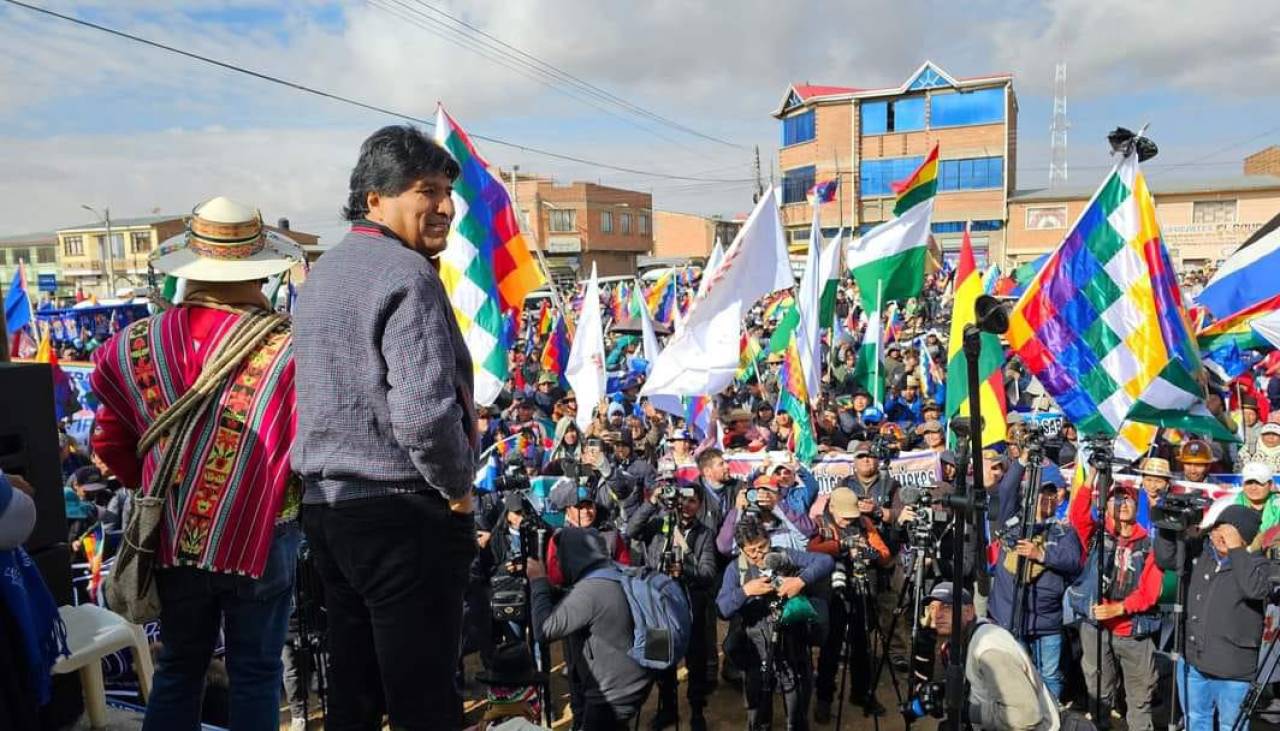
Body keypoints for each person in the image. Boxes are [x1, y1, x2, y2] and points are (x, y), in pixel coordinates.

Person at [91, 196, 305, 731]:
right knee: (256, 673)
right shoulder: (289, 345)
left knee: (179, 668)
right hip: (262, 534)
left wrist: (165, 487)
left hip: (172, 534)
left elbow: (111, 444)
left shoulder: (133, 345)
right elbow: (308, 448)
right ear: (262, 270)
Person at [292, 126, 477, 730]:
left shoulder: (321, 275)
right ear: (375, 198)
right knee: (424, 701)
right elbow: (424, 416)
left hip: (330, 511)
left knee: (355, 693)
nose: (445, 207)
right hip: (401, 515)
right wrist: (456, 489)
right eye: (427, 191)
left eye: (448, 191)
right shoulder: (407, 273)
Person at [1155, 504, 1270, 731]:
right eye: (1219, 528)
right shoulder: (1200, 551)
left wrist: (1236, 551)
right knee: (1196, 719)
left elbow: (1254, 589)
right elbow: (1165, 560)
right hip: (1194, 661)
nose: (1221, 535)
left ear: (1244, 538)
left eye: (1229, 531)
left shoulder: (1259, 564)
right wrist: (1168, 530)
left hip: (1233, 670)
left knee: (1232, 725)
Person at [528, 528, 653, 730]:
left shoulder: (590, 591)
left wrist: (538, 582)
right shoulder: (612, 572)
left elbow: (543, 631)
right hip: (633, 681)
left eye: (560, 558)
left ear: (573, 556)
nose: (558, 563)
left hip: (611, 695)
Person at [717, 519, 834, 731]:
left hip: (792, 647)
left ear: (769, 540)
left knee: (797, 716)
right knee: (758, 716)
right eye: (752, 551)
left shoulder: (784, 555)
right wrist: (746, 591)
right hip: (755, 650)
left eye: (762, 546)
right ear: (742, 550)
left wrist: (799, 581)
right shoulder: (736, 569)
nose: (759, 555)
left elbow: (825, 561)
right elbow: (722, 609)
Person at [1067, 479, 1163, 731]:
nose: (1120, 503)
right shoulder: (1097, 534)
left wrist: (1118, 609)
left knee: (1139, 700)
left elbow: (1150, 593)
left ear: (1137, 504)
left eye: (1127, 498)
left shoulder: (1149, 543)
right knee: (1097, 694)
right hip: (1095, 630)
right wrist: (1090, 480)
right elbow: (1078, 514)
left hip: (1133, 633)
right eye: (1114, 498)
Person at [986, 455, 1082, 701]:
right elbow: (1005, 488)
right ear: (1029, 496)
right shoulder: (1012, 523)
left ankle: (1050, 721)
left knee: (1050, 675)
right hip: (1012, 616)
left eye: (1052, 494)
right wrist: (1021, 461)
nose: (1047, 499)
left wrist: (1041, 554)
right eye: (1041, 493)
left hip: (1047, 621)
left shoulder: (1064, 530)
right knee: (1019, 674)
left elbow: (1073, 561)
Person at [626, 481, 717, 730]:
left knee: (695, 661)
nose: (686, 505)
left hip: (689, 605)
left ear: (699, 505)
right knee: (660, 657)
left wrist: (684, 569)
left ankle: (697, 710)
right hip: (657, 604)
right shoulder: (659, 524)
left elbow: (708, 572)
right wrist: (652, 501)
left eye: (692, 500)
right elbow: (631, 530)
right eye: (682, 499)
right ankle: (668, 709)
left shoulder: (704, 533)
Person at [922, 582, 1060, 731]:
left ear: (969, 612)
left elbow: (1025, 716)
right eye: (933, 608)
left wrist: (966, 712)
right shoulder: (961, 641)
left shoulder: (989, 649)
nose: (937, 614)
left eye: (947, 607)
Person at [810, 487, 893, 720]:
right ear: (832, 508)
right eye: (844, 516)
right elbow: (810, 549)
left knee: (862, 644)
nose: (848, 520)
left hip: (860, 589)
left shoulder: (864, 523)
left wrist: (869, 554)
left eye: (851, 516)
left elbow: (883, 553)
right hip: (831, 592)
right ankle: (824, 698)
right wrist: (841, 547)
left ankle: (862, 692)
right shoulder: (819, 524)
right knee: (830, 647)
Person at [1234, 462, 1280, 534]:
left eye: (1259, 483)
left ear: (1270, 485)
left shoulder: (1277, 506)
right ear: (1243, 484)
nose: (1253, 488)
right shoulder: (1231, 506)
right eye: (1249, 482)